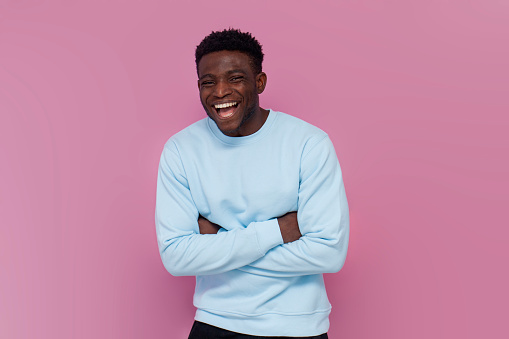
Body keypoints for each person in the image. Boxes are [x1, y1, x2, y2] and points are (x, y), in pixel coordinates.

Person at [155, 28, 349, 339]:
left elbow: (329, 253)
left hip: (298, 326)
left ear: (259, 82)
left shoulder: (308, 143)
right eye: (209, 82)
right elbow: (176, 257)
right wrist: (278, 231)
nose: (220, 92)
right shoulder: (180, 150)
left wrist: (220, 242)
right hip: (215, 323)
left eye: (234, 78)